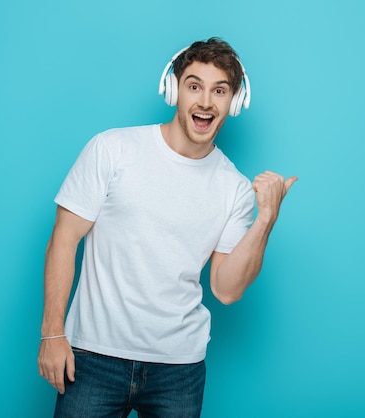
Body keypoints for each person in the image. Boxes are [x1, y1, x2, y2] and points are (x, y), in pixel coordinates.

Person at [37, 37, 297, 418]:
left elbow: (226, 290)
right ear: (173, 90)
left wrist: (266, 220)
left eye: (219, 91)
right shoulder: (112, 149)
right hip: (93, 358)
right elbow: (63, 239)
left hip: (179, 370)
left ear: (235, 102)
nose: (206, 101)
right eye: (195, 86)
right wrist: (52, 333)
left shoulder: (235, 188)